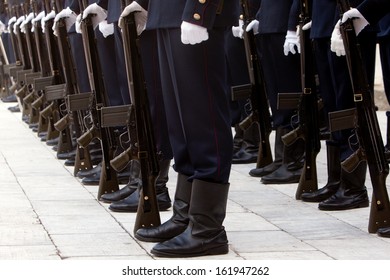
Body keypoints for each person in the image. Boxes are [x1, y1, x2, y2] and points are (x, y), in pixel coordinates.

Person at [120, 0, 238, 258]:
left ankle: (208, 228)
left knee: (202, 117)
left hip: (192, 12)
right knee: (180, 121)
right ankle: (185, 215)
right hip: (168, 13)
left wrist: (199, 11)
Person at [299, 0, 377, 212]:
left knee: (348, 104)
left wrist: (356, 14)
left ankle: (353, 186)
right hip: (327, 22)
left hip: (350, 18)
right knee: (333, 107)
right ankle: (337, 180)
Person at [246, 0, 305, 185]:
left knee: (289, 95)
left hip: (284, 27)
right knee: (276, 97)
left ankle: (294, 161)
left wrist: (292, 26)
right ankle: (281, 159)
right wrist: (260, 18)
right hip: (269, 25)